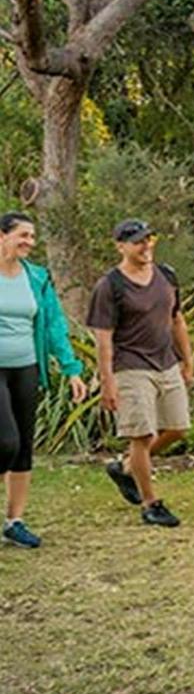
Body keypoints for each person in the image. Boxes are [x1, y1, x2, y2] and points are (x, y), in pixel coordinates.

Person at [87, 219, 194, 528]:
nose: (146, 246)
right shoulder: (110, 286)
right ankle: (151, 504)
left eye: (149, 239)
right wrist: (108, 383)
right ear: (121, 246)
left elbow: (177, 320)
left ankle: (124, 467)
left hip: (165, 362)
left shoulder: (167, 276)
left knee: (177, 428)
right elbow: (103, 339)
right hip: (130, 366)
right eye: (137, 241)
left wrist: (188, 360)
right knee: (142, 435)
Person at [0, 212, 88, 548]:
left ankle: (14, 522)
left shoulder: (37, 278)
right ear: (2, 236)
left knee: (22, 448)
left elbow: (54, 326)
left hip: (26, 368)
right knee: (4, 443)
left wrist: (72, 369)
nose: (29, 242)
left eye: (32, 237)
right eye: (23, 235)